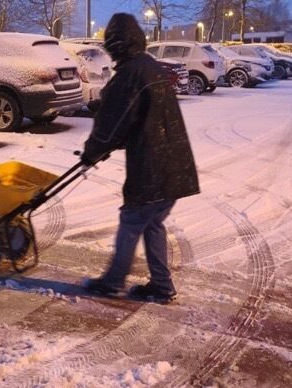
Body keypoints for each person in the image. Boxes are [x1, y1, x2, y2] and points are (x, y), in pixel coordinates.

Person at [80, 13, 200, 304]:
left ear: (115, 44)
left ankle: (112, 282)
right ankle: (161, 285)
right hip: (175, 166)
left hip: (152, 168)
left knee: (133, 219)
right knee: (151, 222)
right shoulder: (150, 67)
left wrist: (93, 151)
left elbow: (113, 122)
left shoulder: (130, 75)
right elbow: (139, 117)